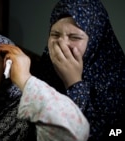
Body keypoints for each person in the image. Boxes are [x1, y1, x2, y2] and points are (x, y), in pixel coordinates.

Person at [32, 0, 125, 141]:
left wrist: (74, 83)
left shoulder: (117, 81)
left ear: (95, 40)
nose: (61, 44)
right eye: (55, 35)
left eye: (75, 37)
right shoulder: (44, 69)